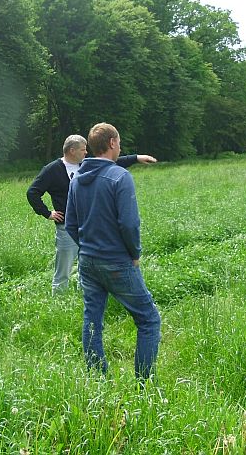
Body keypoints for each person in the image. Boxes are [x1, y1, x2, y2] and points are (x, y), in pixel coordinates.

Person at [65, 123, 161, 380]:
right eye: (118, 142)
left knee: (92, 319)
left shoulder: (76, 181)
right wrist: (135, 253)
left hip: (88, 261)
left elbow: (71, 224)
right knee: (149, 320)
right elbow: (129, 223)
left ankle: (97, 379)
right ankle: (145, 384)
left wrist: (86, 247)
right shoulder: (120, 177)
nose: (120, 147)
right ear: (111, 144)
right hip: (117, 261)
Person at [26, 134, 156, 293]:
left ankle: (85, 294)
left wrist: (136, 158)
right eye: (83, 149)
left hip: (88, 226)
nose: (86, 152)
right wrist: (47, 213)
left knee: (86, 265)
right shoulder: (52, 170)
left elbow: (112, 162)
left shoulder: (85, 165)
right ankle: (59, 297)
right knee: (64, 267)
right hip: (66, 228)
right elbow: (32, 193)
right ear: (72, 150)